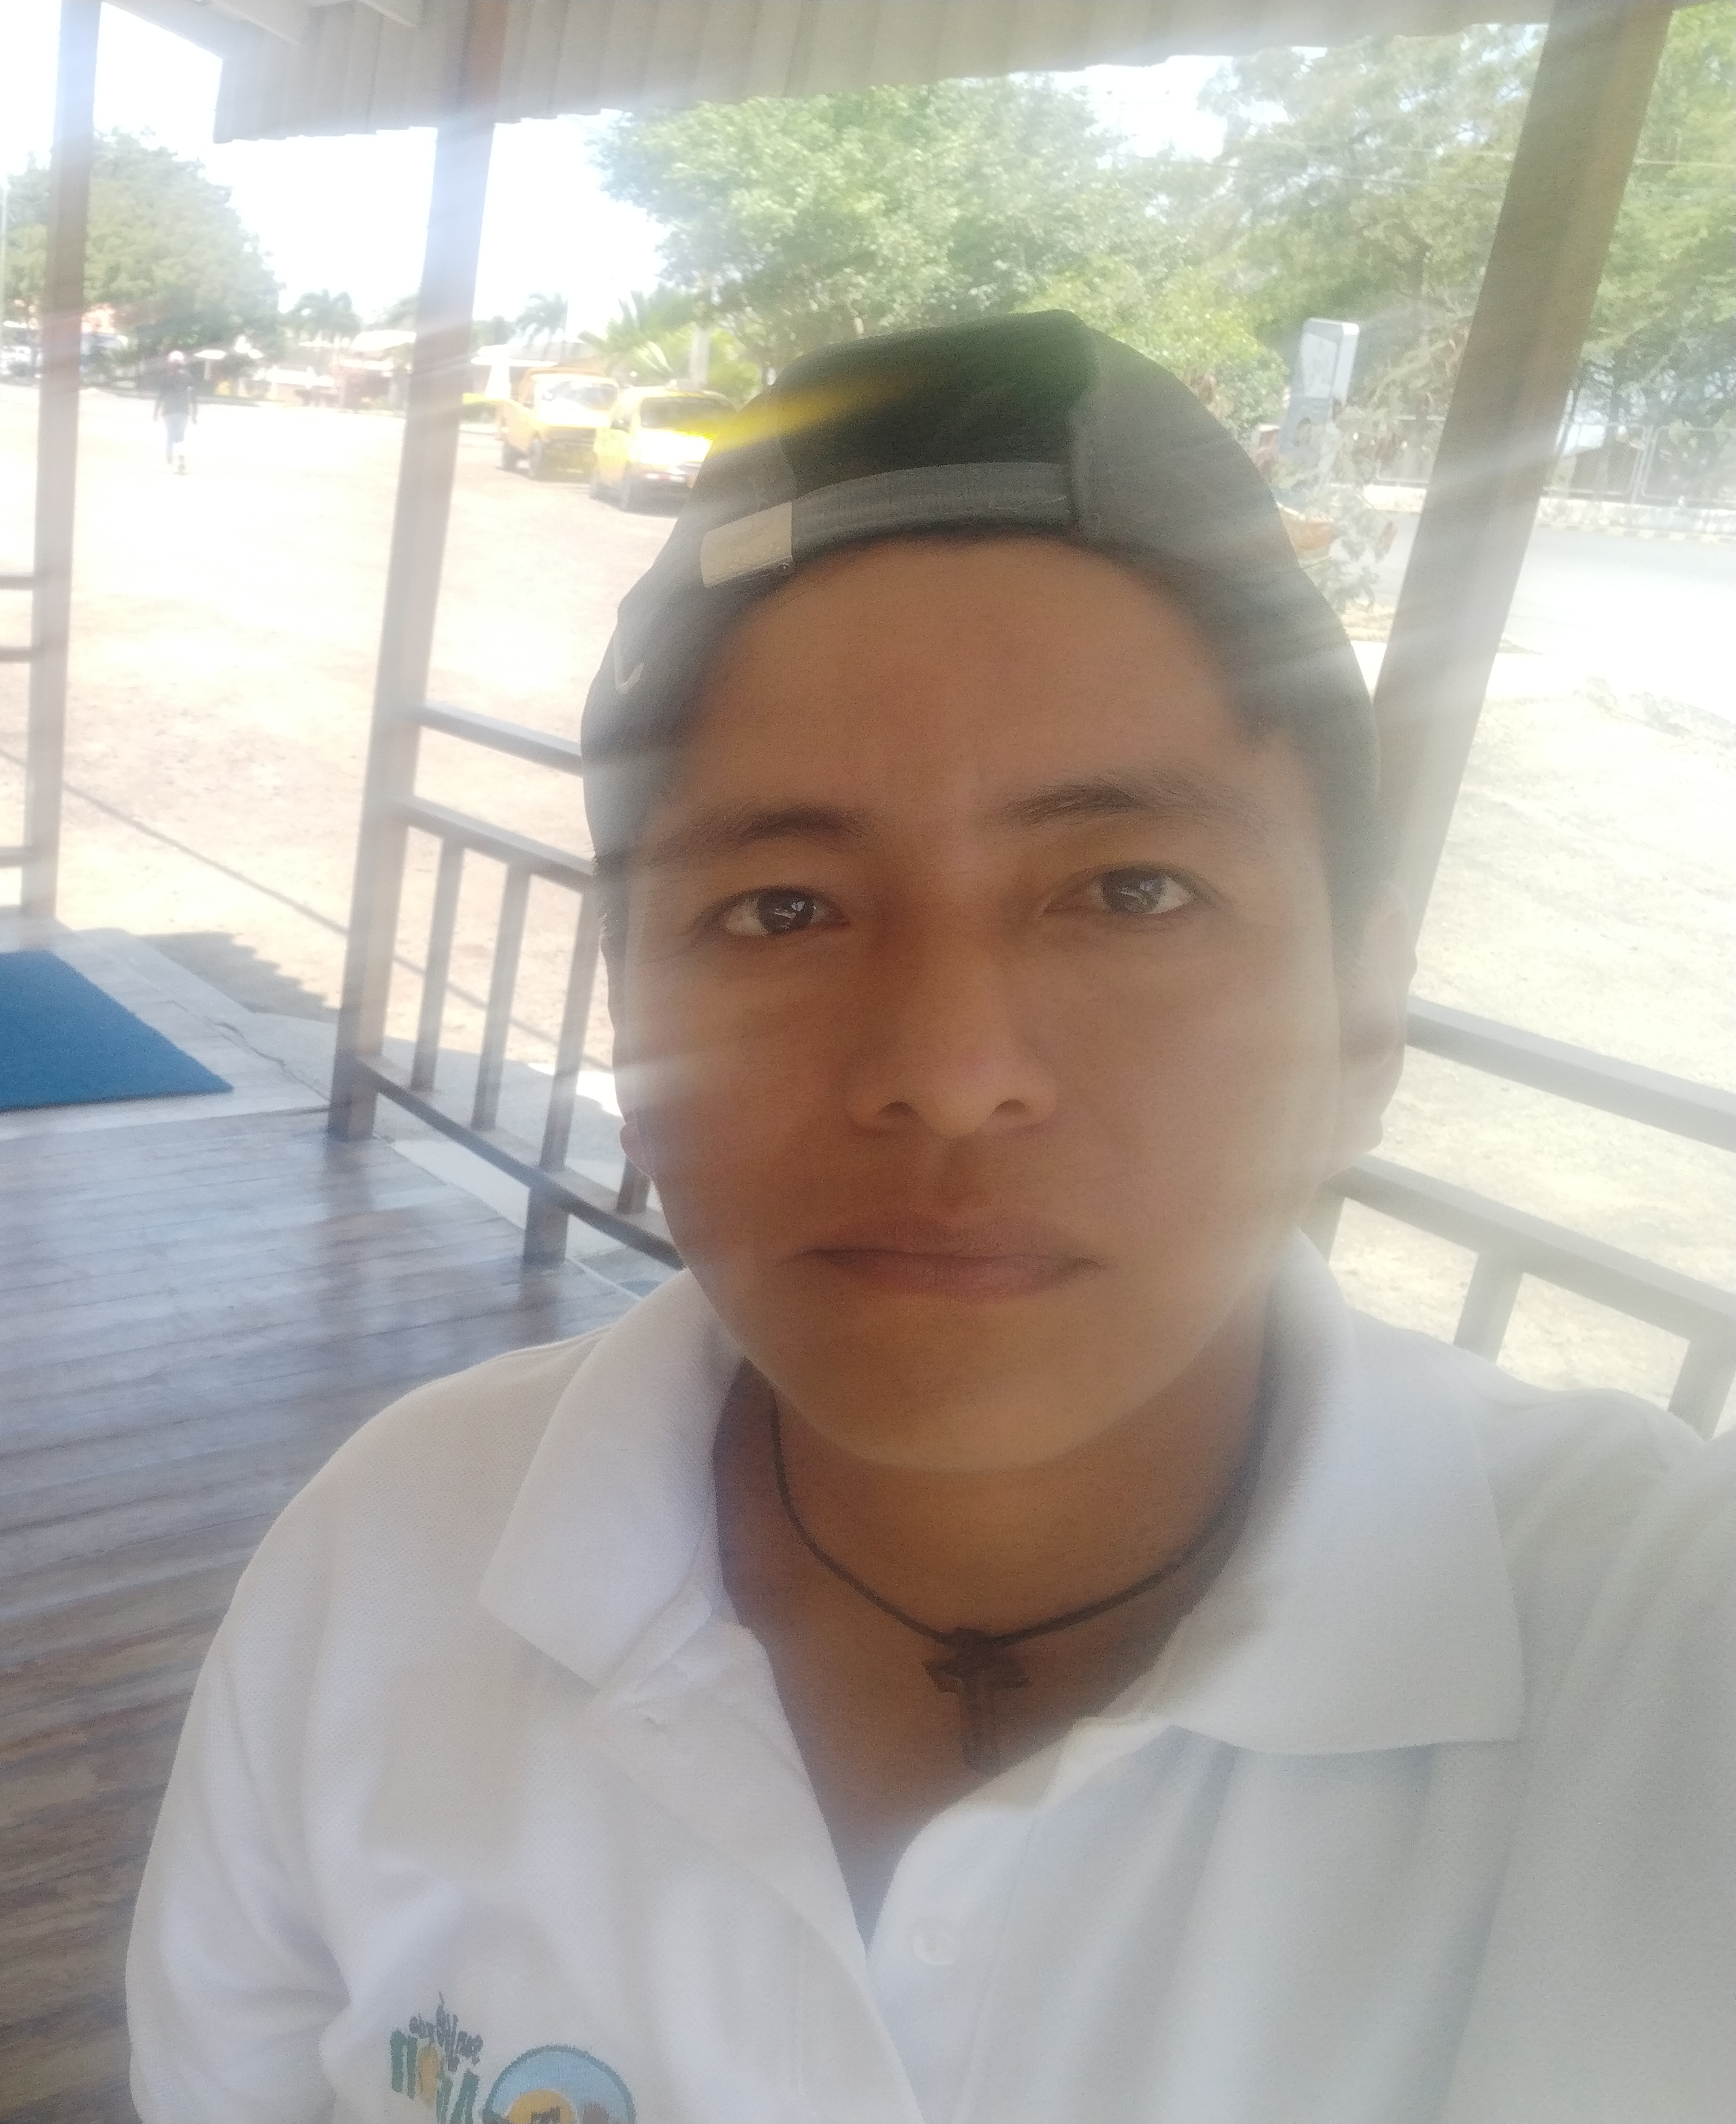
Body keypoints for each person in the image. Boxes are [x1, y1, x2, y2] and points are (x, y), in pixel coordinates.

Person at [125, 312, 1735, 2124]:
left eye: (1131, 891)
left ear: (1362, 1019)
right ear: (630, 1020)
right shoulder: (394, 1558)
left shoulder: (1655, 1656)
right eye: (782, 910)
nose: (951, 1074)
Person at [155, 348, 197, 473]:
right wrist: (194, 414)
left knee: (170, 436)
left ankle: (169, 462)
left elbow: (161, 396)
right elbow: (193, 397)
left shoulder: (166, 378)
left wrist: (155, 412)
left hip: (169, 412)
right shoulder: (188, 378)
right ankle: (181, 459)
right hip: (183, 411)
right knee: (180, 437)